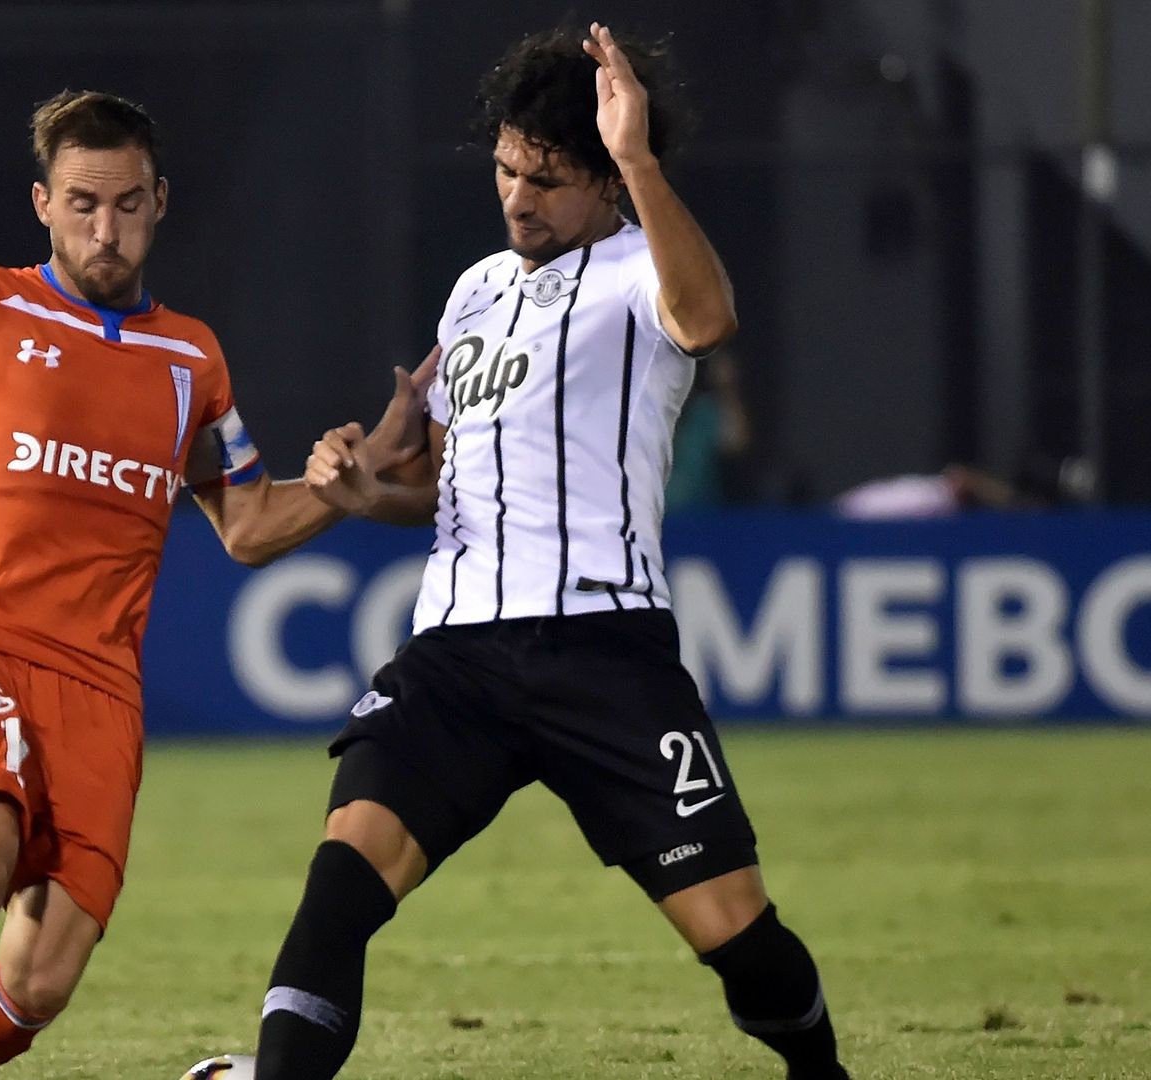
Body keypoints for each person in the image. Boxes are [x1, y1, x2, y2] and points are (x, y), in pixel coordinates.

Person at [0, 94, 431, 1080]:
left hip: (100, 691)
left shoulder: (191, 358)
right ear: (42, 203)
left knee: (39, 981)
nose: (103, 230)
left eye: (125, 206)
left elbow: (246, 527)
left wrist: (354, 480)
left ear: (160, 202)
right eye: (80, 204)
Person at [256, 24, 849, 1080]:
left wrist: (637, 157)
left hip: (604, 653)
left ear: (604, 182)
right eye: (505, 169)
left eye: (549, 177)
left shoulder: (639, 269)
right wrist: (361, 494)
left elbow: (708, 320)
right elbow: (445, 492)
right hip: (454, 659)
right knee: (341, 886)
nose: (519, 198)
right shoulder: (476, 292)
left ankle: (821, 1073)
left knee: (737, 934)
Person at [666, 350, 752, 510]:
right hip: (658, 512)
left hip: (702, 514)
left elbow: (736, 444)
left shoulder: (706, 410)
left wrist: (727, 389)